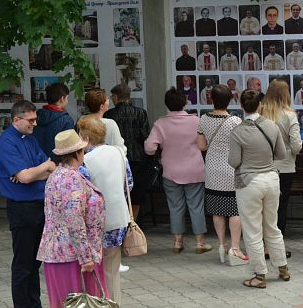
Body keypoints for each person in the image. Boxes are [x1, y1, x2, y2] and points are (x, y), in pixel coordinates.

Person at [0, 100, 56, 308]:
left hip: (39, 205)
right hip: (22, 208)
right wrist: (38, 170)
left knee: (35, 263)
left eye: (35, 119)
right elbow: (27, 176)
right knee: (23, 264)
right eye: (30, 120)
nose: (35, 124)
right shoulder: (5, 142)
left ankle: (34, 304)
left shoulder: (30, 139)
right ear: (16, 120)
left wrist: (34, 171)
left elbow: (48, 169)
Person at [37, 130, 106, 308]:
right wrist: (86, 258)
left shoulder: (56, 175)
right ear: (77, 153)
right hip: (73, 257)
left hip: (60, 253)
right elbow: (74, 220)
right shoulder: (71, 179)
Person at [228, 90, 289, 288]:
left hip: (249, 182)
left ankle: (259, 275)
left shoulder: (238, 132)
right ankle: (283, 267)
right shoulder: (272, 126)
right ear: (260, 104)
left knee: (252, 230)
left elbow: (233, 161)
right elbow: (281, 154)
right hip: (271, 179)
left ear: (241, 106)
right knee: (272, 226)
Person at [145, 87, 210, 254]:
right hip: (195, 170)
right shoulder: (196, 121)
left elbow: (149, 148)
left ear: (166, 104)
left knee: (175, 207)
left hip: (171, 172)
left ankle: (177, 242)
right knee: (196, 206)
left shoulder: (160, 123)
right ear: (185, 102)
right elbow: (205, 143)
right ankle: (200, 243)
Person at [78, 117, 129, 304]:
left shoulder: (85, 161)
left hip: (95, 223)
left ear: (85, 137)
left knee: (94, 270)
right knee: (112, 269)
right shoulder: (118, 152)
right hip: (119, 217)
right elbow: (129, 183)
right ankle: (114, 303)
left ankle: (98, 303)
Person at [197, 85, 247, 266]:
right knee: (234, 209)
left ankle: (221, 245)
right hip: (230, 168)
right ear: (230, 100)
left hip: (212, 167)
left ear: (211, 99)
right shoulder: (235, 121)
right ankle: (235, 248)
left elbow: (201, 146)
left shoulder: (203, 119)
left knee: (217, 209)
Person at [260, 80, 302, 237]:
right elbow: (296, 146)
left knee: (263, 204)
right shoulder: (290, 115)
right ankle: (277, 240)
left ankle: (263, 238)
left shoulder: (260, 114)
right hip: (285, 166)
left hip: (262, 165)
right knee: (281, 204)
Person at [105, 83, 150, 221]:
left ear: (116, 97)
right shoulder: (141, 113)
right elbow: (145, 136)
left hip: (116, 158)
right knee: (136, 195)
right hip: (138, 158)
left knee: (118, 192)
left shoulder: (109, 115)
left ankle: (122, 222)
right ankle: (133, 222)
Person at [34, 82, 75, 163]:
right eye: (67, 98)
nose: (67, 101)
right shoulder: (67, 120)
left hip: (37, 163)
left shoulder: (35, 116)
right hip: (57, 164)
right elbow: (68, 148)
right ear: (62, 99)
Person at [84, 89, 126, 154]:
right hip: (107, 158)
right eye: (106, 99)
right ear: (101, 106)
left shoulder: (81, 122)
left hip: (87, 158)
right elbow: (120, 148)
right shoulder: (110, 123)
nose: (108, 100)